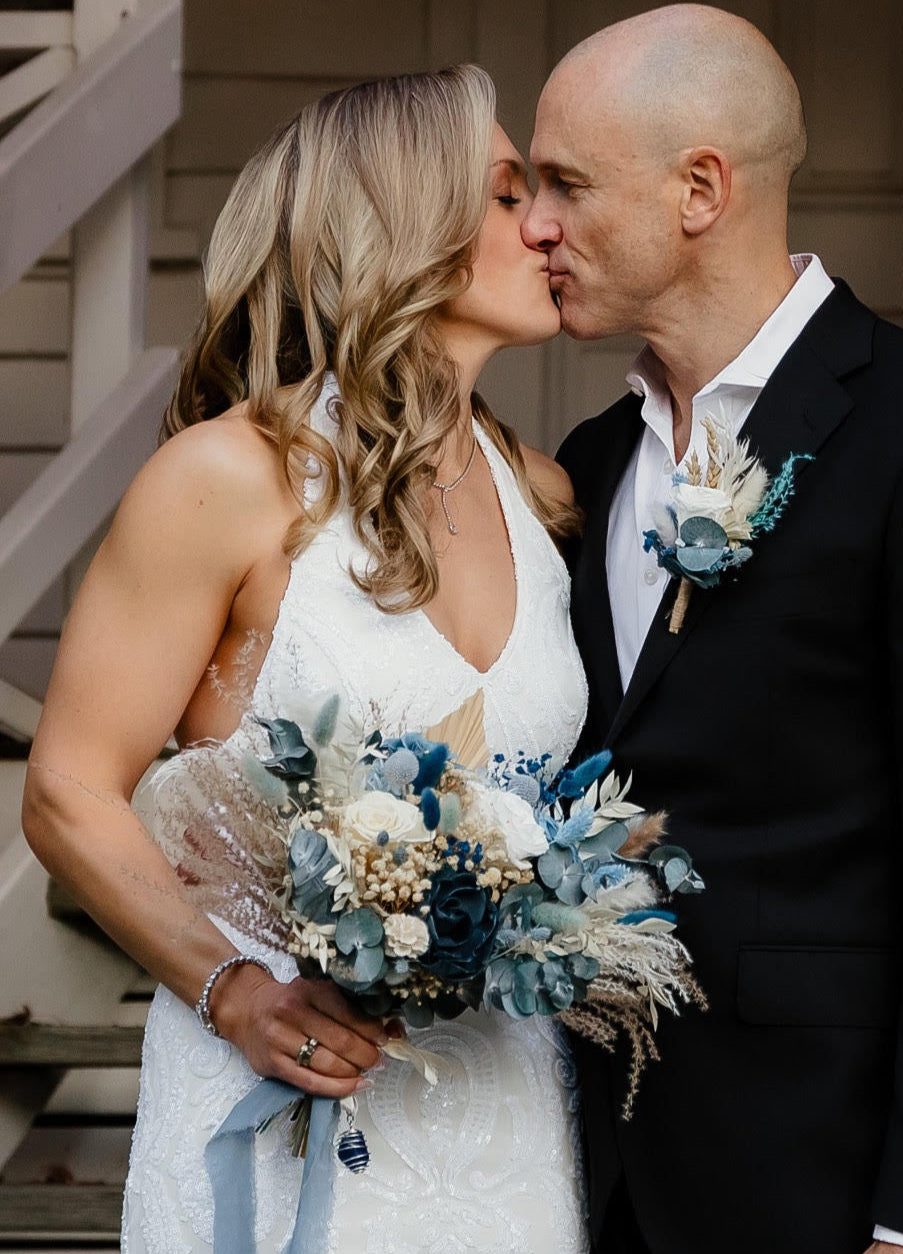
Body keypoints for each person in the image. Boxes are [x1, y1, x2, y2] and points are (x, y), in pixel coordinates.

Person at [526, 7, 903, 1254]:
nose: (534, 225)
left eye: (566, 183)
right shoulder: (592, 462)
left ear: (701, 189)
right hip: (601, 1172)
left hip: (835, 1180)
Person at [22, 67, 590, 1253]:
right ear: (403, 231)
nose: (545, 222)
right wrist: (233, 993)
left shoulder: (545, 497)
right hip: (283, 1090)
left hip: (506, 1107)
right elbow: (69, 789)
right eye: (504, 194)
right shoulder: (230, 482)